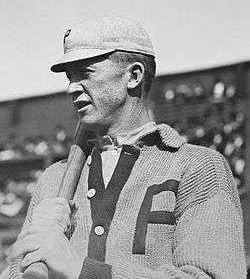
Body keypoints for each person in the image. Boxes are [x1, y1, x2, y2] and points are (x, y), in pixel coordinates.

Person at [8, 17, 246, 278]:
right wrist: (26, 253)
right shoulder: (53, 179)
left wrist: (80, 269)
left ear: (133, 76)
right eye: (69, 77)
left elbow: (210, 275)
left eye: (85, 74)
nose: (71, 88)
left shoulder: (197, 167)